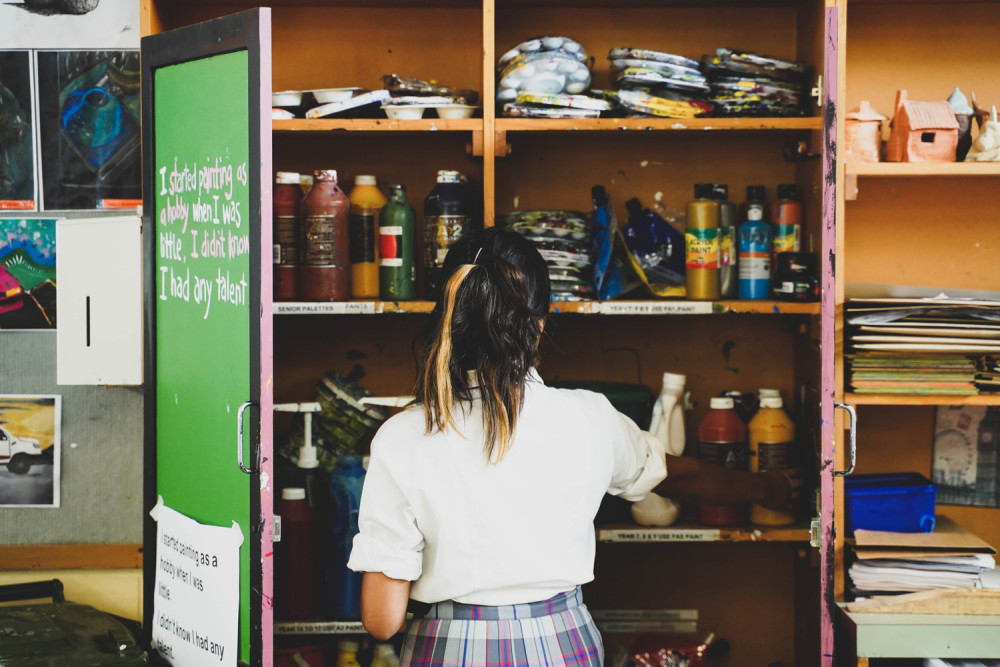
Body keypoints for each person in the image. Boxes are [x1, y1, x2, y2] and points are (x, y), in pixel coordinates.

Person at [347, 227, 794, 666]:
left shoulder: (403, 436)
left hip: (447, 648)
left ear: (447, 317)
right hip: (562, 645)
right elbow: (682, 476)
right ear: (539, 323)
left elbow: (382, 621)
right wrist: (766, 488)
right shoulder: (590, 418)